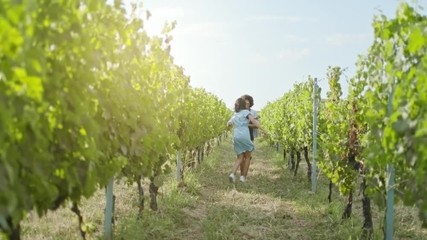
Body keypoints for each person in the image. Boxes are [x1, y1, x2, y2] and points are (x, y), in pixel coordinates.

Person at [227, 97, 260, 183]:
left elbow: (229, 124)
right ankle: (243, 177)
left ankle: (232, 174)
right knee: (248, 156)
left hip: (236, 136)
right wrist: (258, 124)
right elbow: (253, 120)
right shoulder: (246, 112)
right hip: (244, 135)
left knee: (240, 157)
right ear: (244, 105)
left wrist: (231, 125)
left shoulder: (235, 114)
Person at [240, 94, 259, 182]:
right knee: (241, 156)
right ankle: (241, 175)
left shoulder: (254, 113)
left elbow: (257, 126)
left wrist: (246, 124)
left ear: (250, 103)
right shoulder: (238, 112)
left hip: (249, 136)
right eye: (245, 102)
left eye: (248, 103)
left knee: (247, 157)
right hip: (240, 136)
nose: (246, 104)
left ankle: (244, 176)